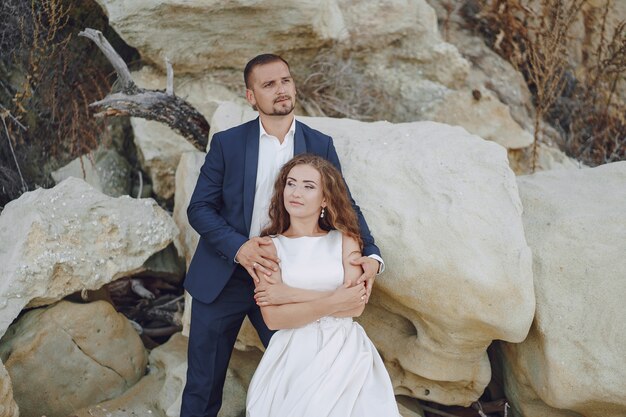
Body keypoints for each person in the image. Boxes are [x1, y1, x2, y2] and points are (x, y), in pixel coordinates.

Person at [181, 53, 384, 417]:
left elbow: (343, 203)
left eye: (285, 81)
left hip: (288, 277)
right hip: (224, 276)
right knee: (202, 385)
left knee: (300, 376)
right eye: (269, 84)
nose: (281, 90)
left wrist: (372, 253)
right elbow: (199, 208)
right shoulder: (228, 143)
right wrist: (239, 248)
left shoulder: (319, 143)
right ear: (251, 96)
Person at [246, 154, 400, 417]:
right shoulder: (268, 247)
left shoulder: (346, 240)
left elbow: (354, 307)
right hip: (294, 355)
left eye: (309, 186)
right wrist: (334, 300)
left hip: (345, 352)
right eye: (291, 183)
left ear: (326, 199)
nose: (296, 192)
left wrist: (289, 293)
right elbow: (273, 318)